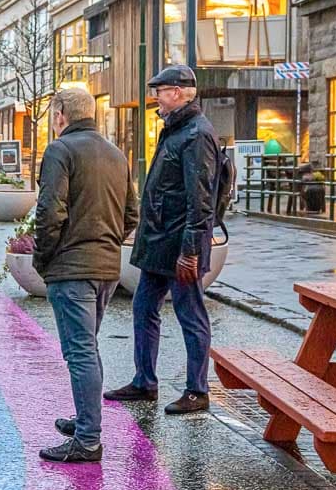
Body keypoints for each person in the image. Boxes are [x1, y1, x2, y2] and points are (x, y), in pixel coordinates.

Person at [105, 64, 218, 415]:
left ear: (181, 92)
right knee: (143, 307)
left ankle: (197, 391)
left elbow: (200, 199)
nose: (156, 96)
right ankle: (144, 381)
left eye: (162, 90)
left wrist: (189, 252)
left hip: (179, 245)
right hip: (160, 240)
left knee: (190, 313)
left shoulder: (196, 134)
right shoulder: (176, 130)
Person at [33, 87, 137, 464]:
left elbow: (49, 212)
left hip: (72, 266)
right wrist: (105, 242)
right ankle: (86, 420)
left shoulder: (61, 151)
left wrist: (44, 258)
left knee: (80, 352)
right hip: (106, 266)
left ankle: (89, 439)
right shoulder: (115, 154)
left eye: (52, 112)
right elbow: (131, 216)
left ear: (60, 114)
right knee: (86, 348)